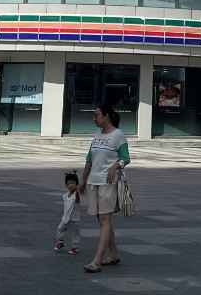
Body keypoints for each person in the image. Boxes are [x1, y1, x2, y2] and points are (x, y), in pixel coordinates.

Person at [79, 104, 131, 273]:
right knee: (102, 221)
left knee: (104, 220)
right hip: (93, 182)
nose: (94, 118)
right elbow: (89, 160)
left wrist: (115, 166)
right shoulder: (97, 135)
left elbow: (126, 158)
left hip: (107, 183)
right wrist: (83, 180)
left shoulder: (118, 135)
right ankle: (113, 254)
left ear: (106, 116)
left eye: (97, 115)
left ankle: (97, 261)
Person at [54, 170, 82, 255]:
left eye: (73, 183)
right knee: (59, 229)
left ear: (76, 184)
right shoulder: (65, 195)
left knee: (75, 234)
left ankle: (75, 247)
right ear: (66, 185)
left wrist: (78, 190)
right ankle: (60, 242)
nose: (71, 185)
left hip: (74, 219)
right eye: (69, 183)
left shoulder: (76, 195)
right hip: (65, 218)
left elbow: (78, 198)